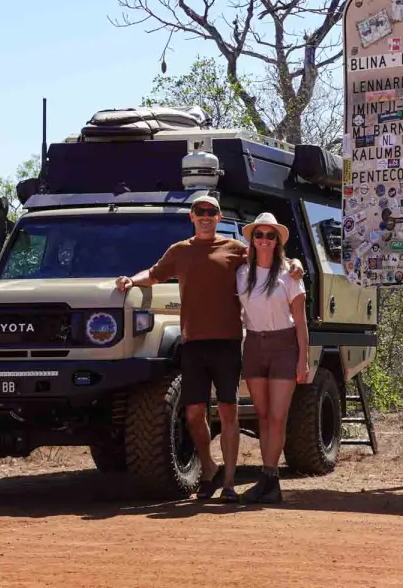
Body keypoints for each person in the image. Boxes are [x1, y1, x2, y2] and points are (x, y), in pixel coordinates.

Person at [113, 190, 301, 502]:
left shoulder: (235, 249)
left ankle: (228, 481)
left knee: (229, 411)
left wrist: (295, 262)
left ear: (218, 217)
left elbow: (268, 257)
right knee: (193, 412)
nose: (205, 217)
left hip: (227, 343)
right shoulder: (179, 251)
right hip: (193, 343)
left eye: (211, 212)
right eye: (199, 211)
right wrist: (131, 280)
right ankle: (209, 465)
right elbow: (155, 274)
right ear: (191, 216)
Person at [235, 212, 310, 504]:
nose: (264, 240)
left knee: (278, 417)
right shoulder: (242, 272)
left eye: (270, 235)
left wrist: (302, 360)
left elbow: (302, 322)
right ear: (252, 240)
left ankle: (270, 478)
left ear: (277, 241)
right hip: (253, 344)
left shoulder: (289, 273)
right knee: (263, 416)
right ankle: (267, 482)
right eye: (259, 235)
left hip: (283, 345)